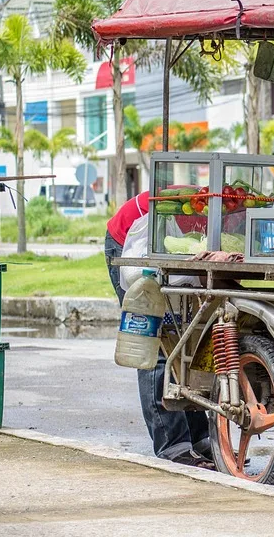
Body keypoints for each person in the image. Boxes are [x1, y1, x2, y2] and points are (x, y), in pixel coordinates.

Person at [104, 192, 214, 469]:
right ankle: (172, 443)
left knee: (187, 340)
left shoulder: (225, 217)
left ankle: (200, 438)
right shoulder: (188, 207)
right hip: (130, 245)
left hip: (170, 258)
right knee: (156, 340)